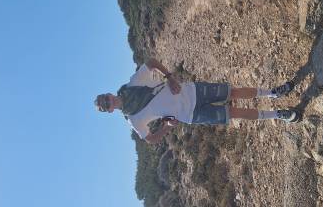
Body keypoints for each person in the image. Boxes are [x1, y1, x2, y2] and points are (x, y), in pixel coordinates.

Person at [95, 57, 298, 144]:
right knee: (233, 112)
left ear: (108, 94)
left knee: (233, 93)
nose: (108, 102)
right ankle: (278, 114)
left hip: (192, 91)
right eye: (106, 106)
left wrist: (169, 77)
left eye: (105, 99)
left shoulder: (133, 84)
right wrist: (166, 127)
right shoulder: (134, 119)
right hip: (191, 115)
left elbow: (151, 62)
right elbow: (150, 139)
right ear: (110, 111)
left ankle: (273, 93)